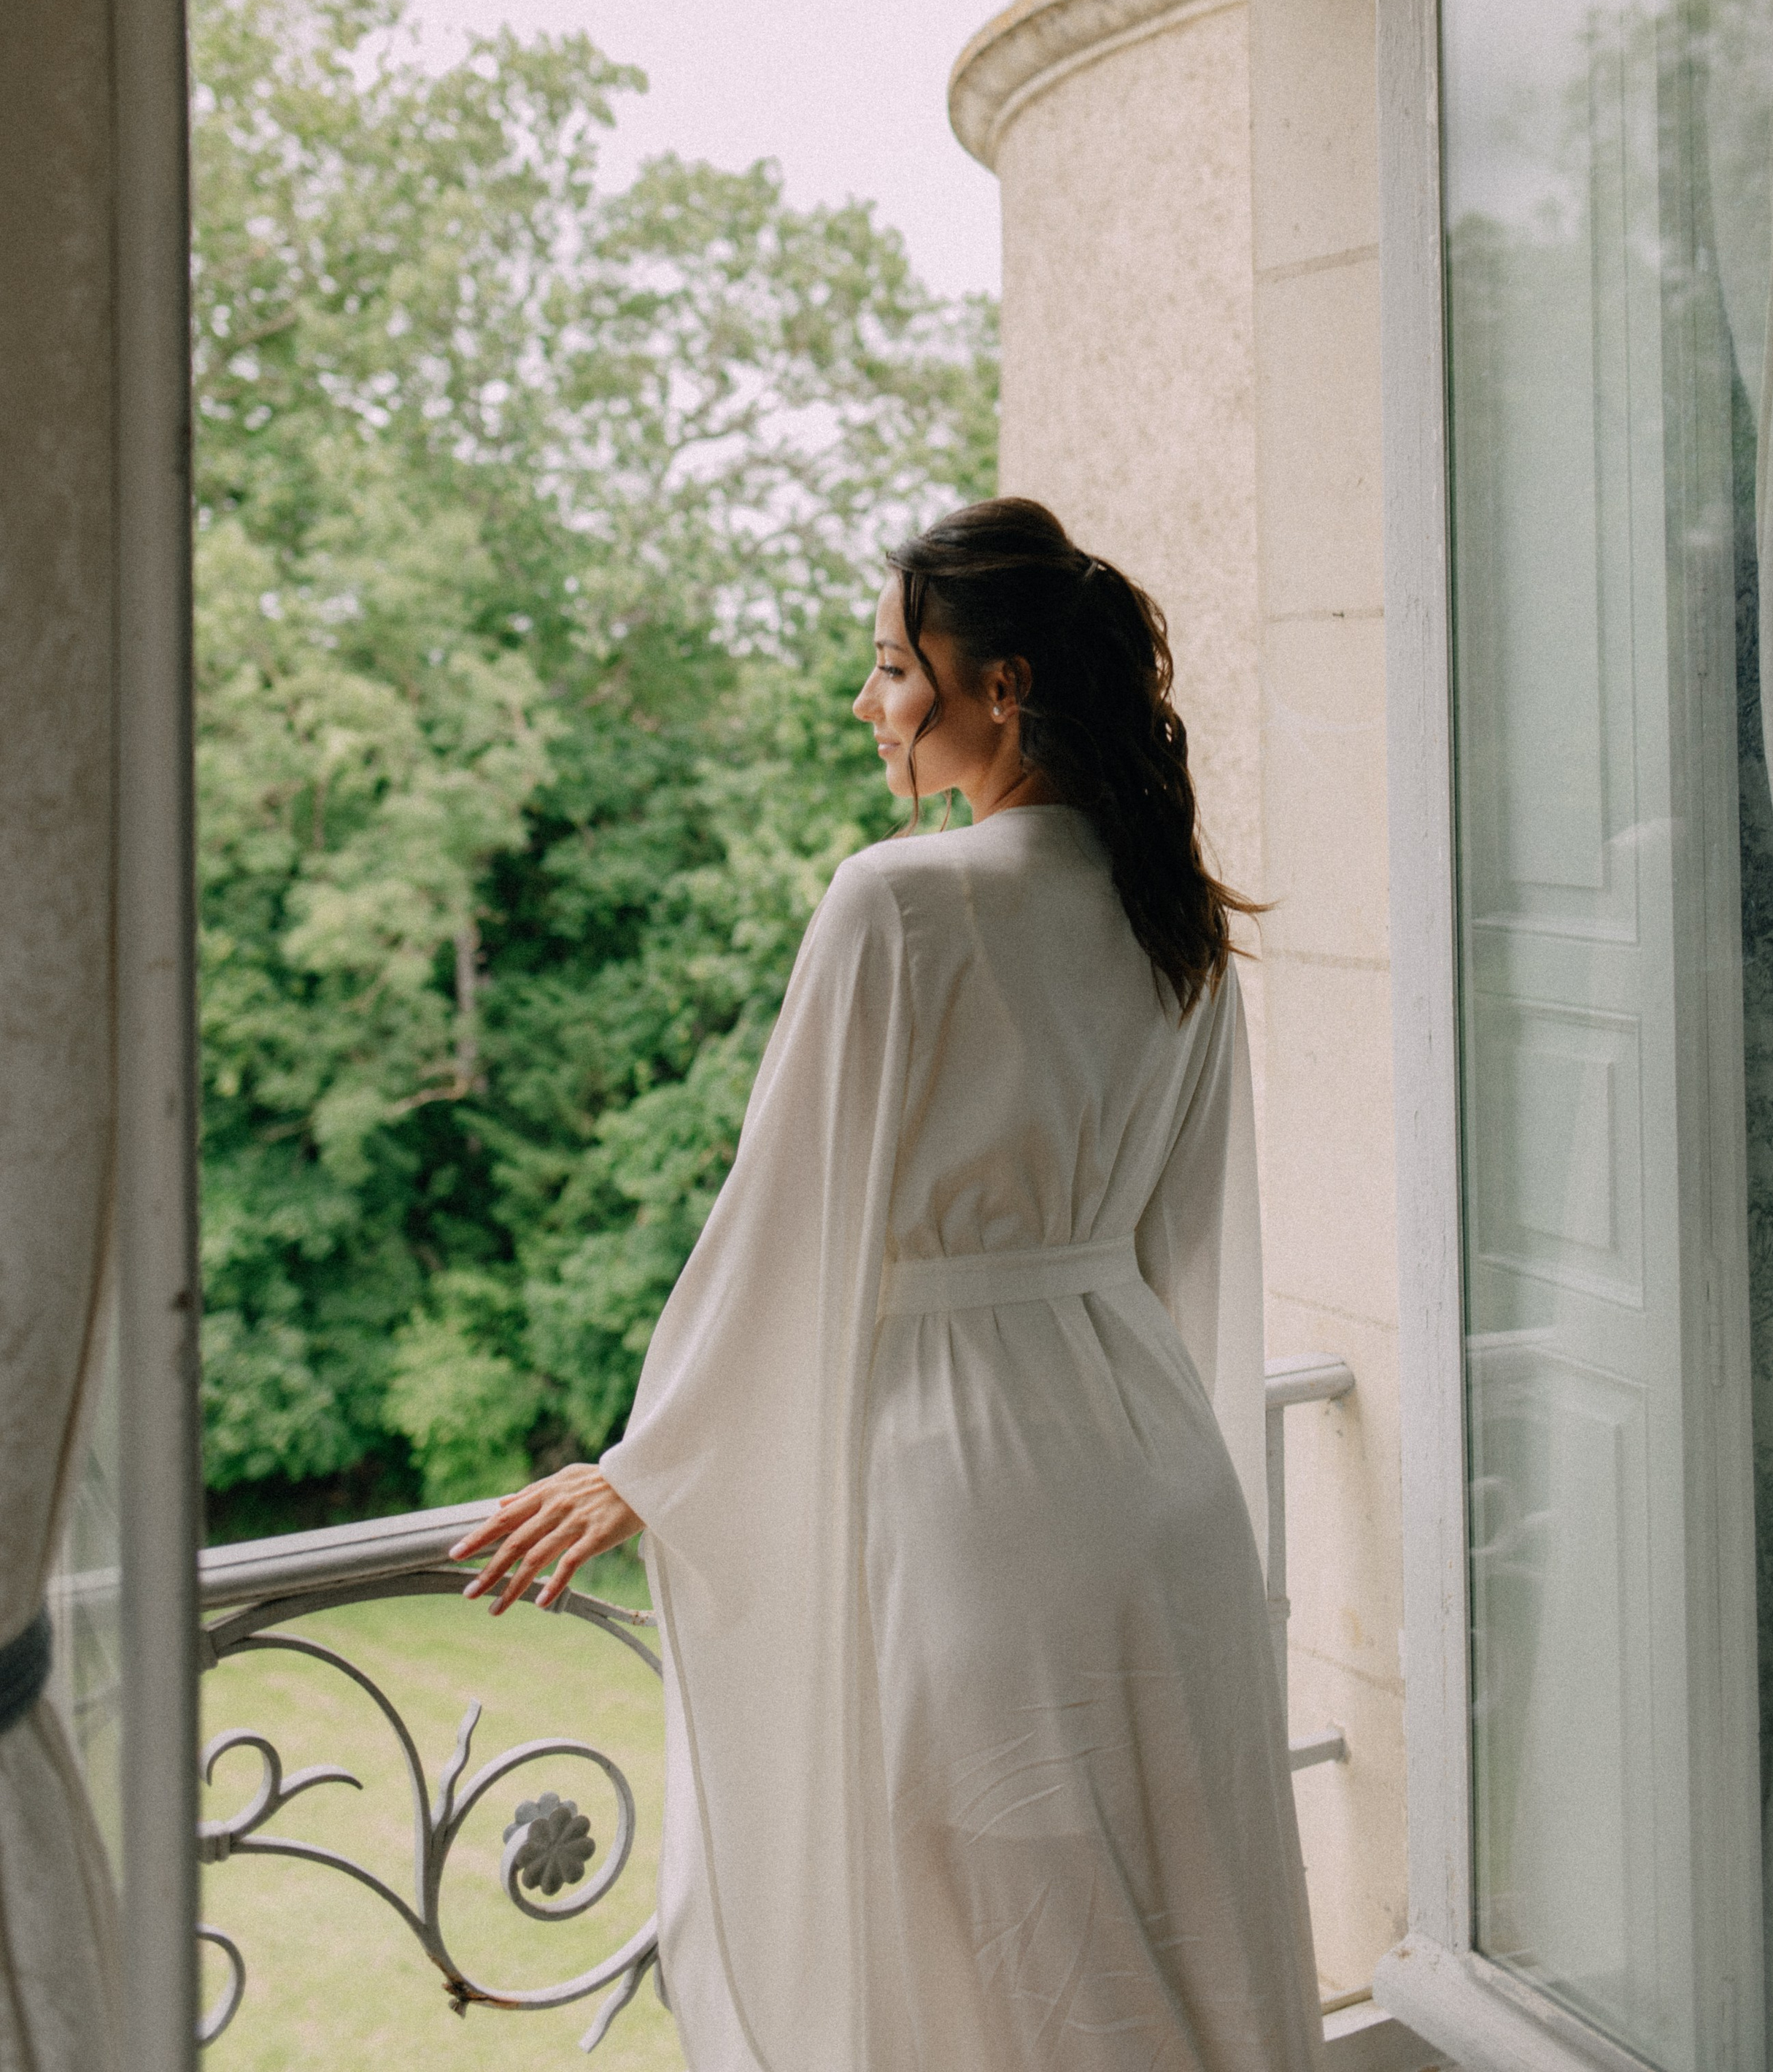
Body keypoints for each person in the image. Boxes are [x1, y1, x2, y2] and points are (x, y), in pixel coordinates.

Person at [451, 497, 1324, 2072]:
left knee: (990, 1954)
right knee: (1169, 1927)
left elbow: (784, 1223)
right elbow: (1182, 1242)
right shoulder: (1169, 915)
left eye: (890, 668)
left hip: (964, 1488)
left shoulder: (900, 901)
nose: (866, 704)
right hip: (1155, 1482)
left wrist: (648, 1460)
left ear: (999, 686)